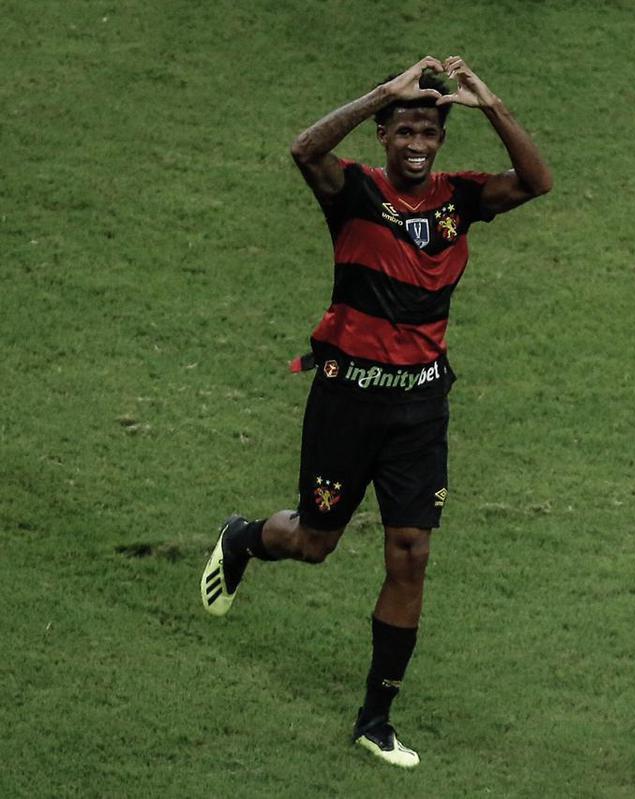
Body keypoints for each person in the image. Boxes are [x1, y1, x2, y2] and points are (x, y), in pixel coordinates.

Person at [198, 55, 552, 768]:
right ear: (385, 134)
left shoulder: (462, 198)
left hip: (420, 407)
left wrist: (491, 104)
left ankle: (375, 718)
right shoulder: (353, 190)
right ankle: (244, 537)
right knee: (315, 542)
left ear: (441, 140)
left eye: (429, 129)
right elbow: (305, 148)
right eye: (404, 128)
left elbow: (538, 182)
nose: (417, 141)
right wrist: (381, 93)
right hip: (348, 400)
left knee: (411, 551)